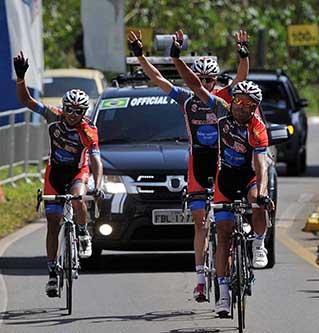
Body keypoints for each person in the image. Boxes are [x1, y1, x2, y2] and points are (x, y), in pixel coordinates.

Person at [127, 29, 250, 303]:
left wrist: (243, 53)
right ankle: (200, 281)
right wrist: (140, 56)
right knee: (199, 224)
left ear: (217, 80)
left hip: (222, 160)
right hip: (198, 161)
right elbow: (158, 79)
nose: (206, 83)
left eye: (211, 79)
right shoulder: (186, 98)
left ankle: (227, 265)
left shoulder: (225, 98)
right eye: (202, 79)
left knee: (224, 222)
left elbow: (242, 75)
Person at [168, 36, 273, 316]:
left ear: (254, 108)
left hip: (248, 177)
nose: (241, 107)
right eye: (238, 101)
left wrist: (262, 192)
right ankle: (224, 294)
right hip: (224, 177)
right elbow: (194, 86)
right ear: (233, 100)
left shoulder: (257, 128)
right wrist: (177, 58)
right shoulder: (221, 110)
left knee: (258, 201)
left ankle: (259, 244)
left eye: (248, 105)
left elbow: (260, 163)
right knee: (224, 236)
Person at [13, 52, 103, 297]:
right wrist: (21, 78)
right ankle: (52, 272)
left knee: (78, 199)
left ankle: (83, 234)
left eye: (78, 111)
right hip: (55, 173)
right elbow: (27, 101)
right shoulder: (54, 116)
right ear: (64, 108)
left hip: (77, 172)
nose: (73, 115)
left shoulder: (88, 129)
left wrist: (99, 183)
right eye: (70, 110)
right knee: (52, 223)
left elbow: (95, 159)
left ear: (84, 112)